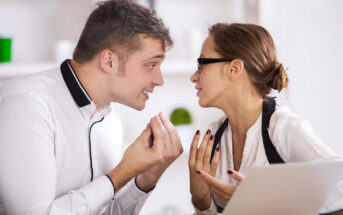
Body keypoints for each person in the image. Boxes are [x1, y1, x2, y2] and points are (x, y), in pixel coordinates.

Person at [0, 0, 183, 214]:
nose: (159, 80)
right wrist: (123, 172)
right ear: (109, 61)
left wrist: (144, 179)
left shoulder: (111, 121)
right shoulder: (27, 104)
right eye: (151, 65)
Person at [188, 23, 343, 214]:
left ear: (234, 69)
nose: (194, 77)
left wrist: (261, 197)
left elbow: (340, 185)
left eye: (201, 64)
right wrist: (201, 200)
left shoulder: (283, 128)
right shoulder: (213, 136)